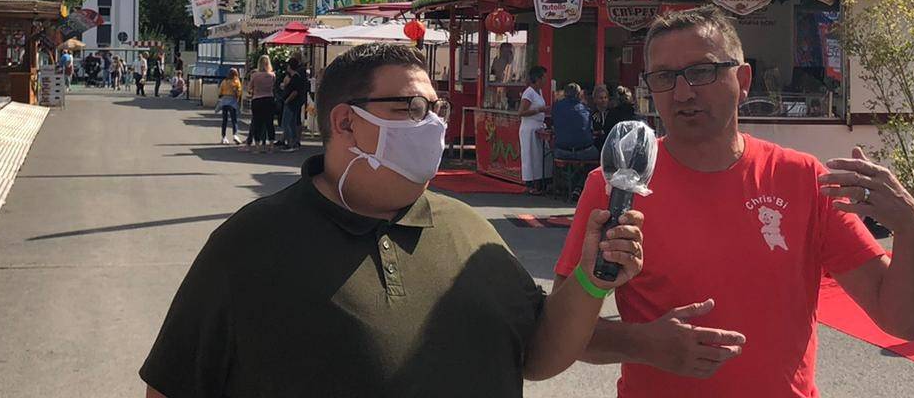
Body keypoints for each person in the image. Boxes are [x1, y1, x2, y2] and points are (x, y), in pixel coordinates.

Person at [141, 43, 646, 397]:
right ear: (345, 122)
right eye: (413, 107)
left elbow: (538, 354)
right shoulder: (250, 244)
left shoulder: (470, 229)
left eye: (436, 107)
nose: (435, 124)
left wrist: (589, 279)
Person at [553, 6, 914, 398]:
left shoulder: (803, 179)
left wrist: (910, 226)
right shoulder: (617, 185)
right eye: (664, 77)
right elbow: (556, 333)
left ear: (744, 80)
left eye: (702, 71)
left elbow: (903, 321)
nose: (683, 93)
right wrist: (642, 344)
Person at [518, 65, 552, 195]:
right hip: (529, 128)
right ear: (538, 79)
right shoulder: (529, 93)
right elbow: (521, 112)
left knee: (539, 156)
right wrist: (539, 110)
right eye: (544, 78)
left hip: (538, 126)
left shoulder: (539, 92)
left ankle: (540, 182)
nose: (546, 80)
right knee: (530, 156)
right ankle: (530, 183)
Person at [246, 56, 276, 153]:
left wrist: (253, 91)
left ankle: (258, 146)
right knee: (269, 123)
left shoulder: (255, 75)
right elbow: (273, 87)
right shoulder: (272, 75)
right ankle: (271, 145)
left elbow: (249, 88)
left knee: (257, 123)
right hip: (269, 99)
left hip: (257, 99)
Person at [279, 57, 310, 150]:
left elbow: (295, 91)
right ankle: (294, 142)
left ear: (289, 66)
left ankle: (290, 143)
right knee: (292, 123)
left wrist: (287, 100)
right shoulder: (294, 77)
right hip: (294, 102)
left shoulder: (295, 77)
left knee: (286, 123)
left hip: (291, 102)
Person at [218, 68, 243, 144]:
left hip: (225, 101)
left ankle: (223, 137)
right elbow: (239, 92)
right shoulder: (236, 81)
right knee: (234, 120)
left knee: (224, 120)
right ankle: (235, 135)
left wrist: (221, 96)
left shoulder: (224, 81)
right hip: (232, 102)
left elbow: (220, 92)